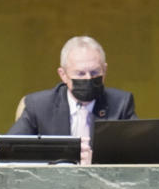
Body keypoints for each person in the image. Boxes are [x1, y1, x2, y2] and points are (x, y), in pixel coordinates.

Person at [7, 36, 137, 139]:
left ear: (105, 70)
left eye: (95, 72)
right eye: (80, 73)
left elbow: (139, 152)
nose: (88, 78)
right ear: (63, 75)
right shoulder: (39, 106)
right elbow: (8, 151)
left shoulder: (121, 104)